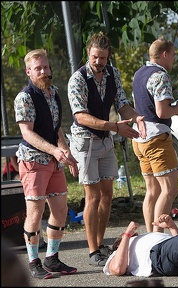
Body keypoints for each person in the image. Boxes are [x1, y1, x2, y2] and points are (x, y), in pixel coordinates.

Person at [67, 31, 146, 267]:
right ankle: (92, 251)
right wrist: (114, 127)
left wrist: (138, 118)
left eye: (102, 57)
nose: (98, 62)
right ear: (88, 54)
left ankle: (100, 245)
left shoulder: (113, 73)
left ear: (108, 56)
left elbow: (122, 104)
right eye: (94, 57)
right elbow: (81, 117)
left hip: (106, 139)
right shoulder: (78, 79)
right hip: (85, 141)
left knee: (107, 195)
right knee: (91, 196)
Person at [14, 49, 79, 279]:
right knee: (35, 211)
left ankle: (52, 258)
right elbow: (27, 133)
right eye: (38, 68)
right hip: (33, 161)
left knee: (61, 210)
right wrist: (54, 150)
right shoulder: (25, 97)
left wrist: (66, 153)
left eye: (46, 67)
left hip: (54, 161)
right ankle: (33, 262)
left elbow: (57, 128)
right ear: (29, 71)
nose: (43, 72)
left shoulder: (54, 93)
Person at [131, 37, 178, 233]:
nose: (174, 59)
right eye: (173, 55)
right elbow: (162, 112)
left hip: (139, 138)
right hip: (156, 138)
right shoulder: (160, 76)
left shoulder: (139, 73)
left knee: (152, 191)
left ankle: (150, 237)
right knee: (169, 189)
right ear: (164, 54)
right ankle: (158, 238)